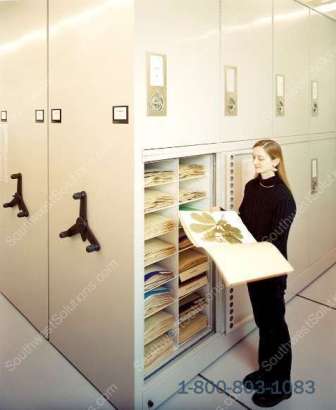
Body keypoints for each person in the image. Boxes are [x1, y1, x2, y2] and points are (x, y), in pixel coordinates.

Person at [238, 139, 297, 407]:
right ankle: (266, 371)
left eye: (261, 158)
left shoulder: (284, 197)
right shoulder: (251, 187)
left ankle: (281, 385)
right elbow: (242, 220)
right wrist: (222, 217)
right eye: (253, 157)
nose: (256, 162)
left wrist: (252, 245)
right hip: (252, 266)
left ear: (275, 161)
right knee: (263, 323)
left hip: (271, 270)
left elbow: (274, 238)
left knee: (276, 328)